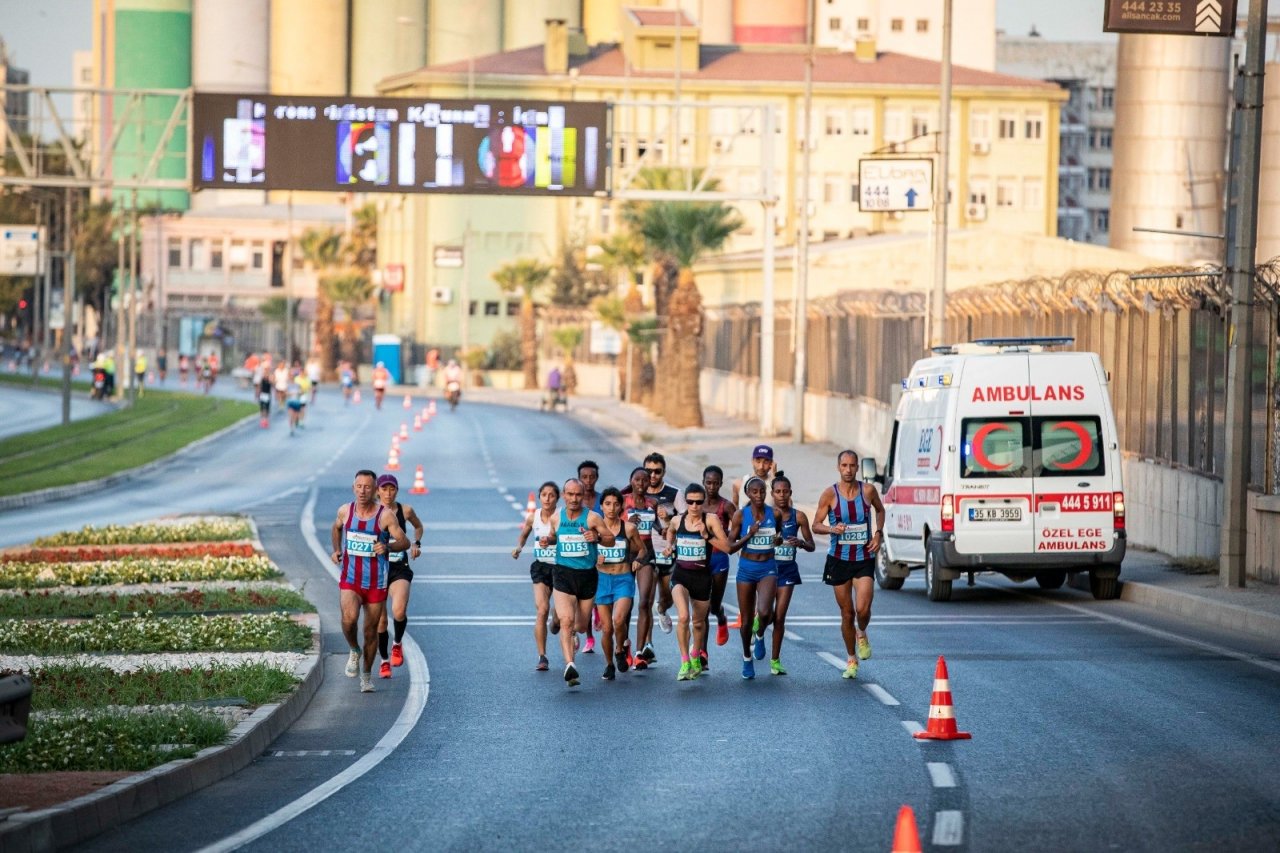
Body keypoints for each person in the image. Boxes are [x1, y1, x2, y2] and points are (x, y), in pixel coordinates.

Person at [330, 470, 409, 693]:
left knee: (370, 631)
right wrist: (336, 550)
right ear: (353, 488)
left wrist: (388, 547)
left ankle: (366, 676)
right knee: (348, 619)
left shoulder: (385, 516)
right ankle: (354, 650)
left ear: (375, 490)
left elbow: (404, 541)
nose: (363, 491)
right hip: (351, 578)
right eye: (359, 486)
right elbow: (335, 528)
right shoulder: (346, 511)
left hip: (376, 582)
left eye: (367, 487)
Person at [812, 450, 886, 680]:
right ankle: (851, 658)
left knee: (863, 610)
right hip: (839, 560)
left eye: (852, 466)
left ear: (857, 468)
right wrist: (831, 528)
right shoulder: (829, 495)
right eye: (844, 465)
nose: (848, 470)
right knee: (847, 613)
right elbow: (816, 525)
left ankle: (861, 632)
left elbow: (880, 510)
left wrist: (878, 534)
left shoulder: (868, 491)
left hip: (863, 558)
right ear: (838, 467)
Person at [661, 483, 732, 681]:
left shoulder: (711, 520)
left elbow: (727, 547)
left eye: (698, 502)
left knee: (698, 623)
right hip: (681, 575)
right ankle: (684, 661)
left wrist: (706, 536)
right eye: (690, 501)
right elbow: (671, 531)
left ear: (703, 503)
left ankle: (695, 657)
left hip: (702, 577)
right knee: (683, 617)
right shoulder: (677, 520)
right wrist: (669, 546)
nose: (694, 506)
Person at [551, 478, 616, 687]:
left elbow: (611, 539)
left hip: (587, 576)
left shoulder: (593, 517)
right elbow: (554, 537)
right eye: (570, 494)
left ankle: (556, 614)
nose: (574, 499)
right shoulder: (556, 517)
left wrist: (596, 537)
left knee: (579, 626)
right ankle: (570, 665)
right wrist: (548, 541)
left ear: (582, 496)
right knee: (567, 621)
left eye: (578, 495)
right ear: (564, 495)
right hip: (563, 574)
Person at [729, 476, 781, 680]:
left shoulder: (774, 513)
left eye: (762, 492)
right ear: (748, 494)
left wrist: (779, 540)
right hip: (746, 569)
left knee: (766, 612)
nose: (759, 495)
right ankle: (746, 657)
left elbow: (778, 536)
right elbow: (730, 547)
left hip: (768, 567)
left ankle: (760, 636)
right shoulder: (740, 516)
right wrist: (749, 535)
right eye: (754, 492)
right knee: (747, 620)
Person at [375, 474, 424, 679]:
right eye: (384, 489)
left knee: (399, 610)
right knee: (380, 622)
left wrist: (416, 543)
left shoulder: (405, 510)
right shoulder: (371, 513)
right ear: (377, 491)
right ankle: (385, 661)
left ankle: (397, 644)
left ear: (396, 490)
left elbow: (418, 527)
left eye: (391, 489)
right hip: (376, 569)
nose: (387, 493)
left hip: (399, 568)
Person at [594, 487, 644, 680]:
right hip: (602, 580)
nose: (612, 508)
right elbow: (586, 553)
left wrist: (639, 560)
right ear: (601, 507)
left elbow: (641, 550)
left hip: (623, 579)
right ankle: (608, 664)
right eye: (607, 504)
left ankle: (619, 648)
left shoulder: (629, 529)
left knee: (618, 620)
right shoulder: (595, 530)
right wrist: (594, 558)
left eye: (616, 504)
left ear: (621, 507)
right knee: (606, 628)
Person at [512, 481, 562, 671]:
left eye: (551, 495)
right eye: (544, 495)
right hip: (541, 567)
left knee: (558, 619)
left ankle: (557, 621)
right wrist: (519, 547)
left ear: (557, 498)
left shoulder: (562, 517)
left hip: (560, 568)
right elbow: (524, 534)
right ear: (540, 497)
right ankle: (542, 656)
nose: (547, 498)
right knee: (542, 610)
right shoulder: (534, 517)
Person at [769, 475, 815, 675]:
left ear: (790, 493)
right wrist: (772, 543)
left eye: (785, 491)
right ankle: (759, 635)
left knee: (779, 617)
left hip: (787, 569)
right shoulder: (765, 515)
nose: (781, 495)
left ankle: (775, 660)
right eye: (777, 492)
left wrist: (801, 543)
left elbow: (812, 545)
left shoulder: (799, 516)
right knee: (763, 614)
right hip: (766, 571)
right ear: (771, 494)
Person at [624, 467, 659, 670]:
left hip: (646, 552)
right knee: (626, 603)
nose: (641, 484)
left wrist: (663, 527)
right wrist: (626, 522)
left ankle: (639, 652)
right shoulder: (623, 502)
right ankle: (624, 646)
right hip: (626, 554)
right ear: (631, 481)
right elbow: (612, 524)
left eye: (645, 481)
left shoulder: (652, 503)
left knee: (645, 601)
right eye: (637, 480)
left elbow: (656, 525)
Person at [702, 465, 737, 652]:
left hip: (719, 559)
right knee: (703, 609)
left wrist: (729, 535)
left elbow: (739, 526)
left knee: (714, 606)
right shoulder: (697, 505)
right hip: (700, 559)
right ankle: (703, 653)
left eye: (716, 483)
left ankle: (721, 617)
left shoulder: (726, 506)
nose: (712, 487)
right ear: (703, 482)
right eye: (708, 482)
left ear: (721, 484)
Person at [577, 460, 602, 651]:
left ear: (597, 478)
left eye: (592, 477)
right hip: (582, 552)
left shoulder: (603, 500)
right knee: (583, 595)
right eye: (584, 477)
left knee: (597, 590)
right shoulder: (575, 502)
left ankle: (597, 612)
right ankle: (589, 638)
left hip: (602, 551)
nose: (588, 481)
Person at [285, 370, 305, 435]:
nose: (291, 378)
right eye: (291, 377)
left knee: (295, 416)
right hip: (290, 402)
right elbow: (285, 393)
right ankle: (292, 428)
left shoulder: (297, 385)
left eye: (293, 377)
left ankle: (296, 421)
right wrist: (290, 393)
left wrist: (299, 392)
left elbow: (302, 392)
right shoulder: (288, 385)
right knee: (291, 416)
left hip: (297, 403)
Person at [256, 363, 273, 428]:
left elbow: (272, 384)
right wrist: (258, 394)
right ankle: (263, 420)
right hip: (263, 394)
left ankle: (266, 420)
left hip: (268, 395)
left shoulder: (270, 378)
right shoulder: (262, 379)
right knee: (262, 408)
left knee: (267, 408)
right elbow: (259, 386)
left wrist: (270, 378)